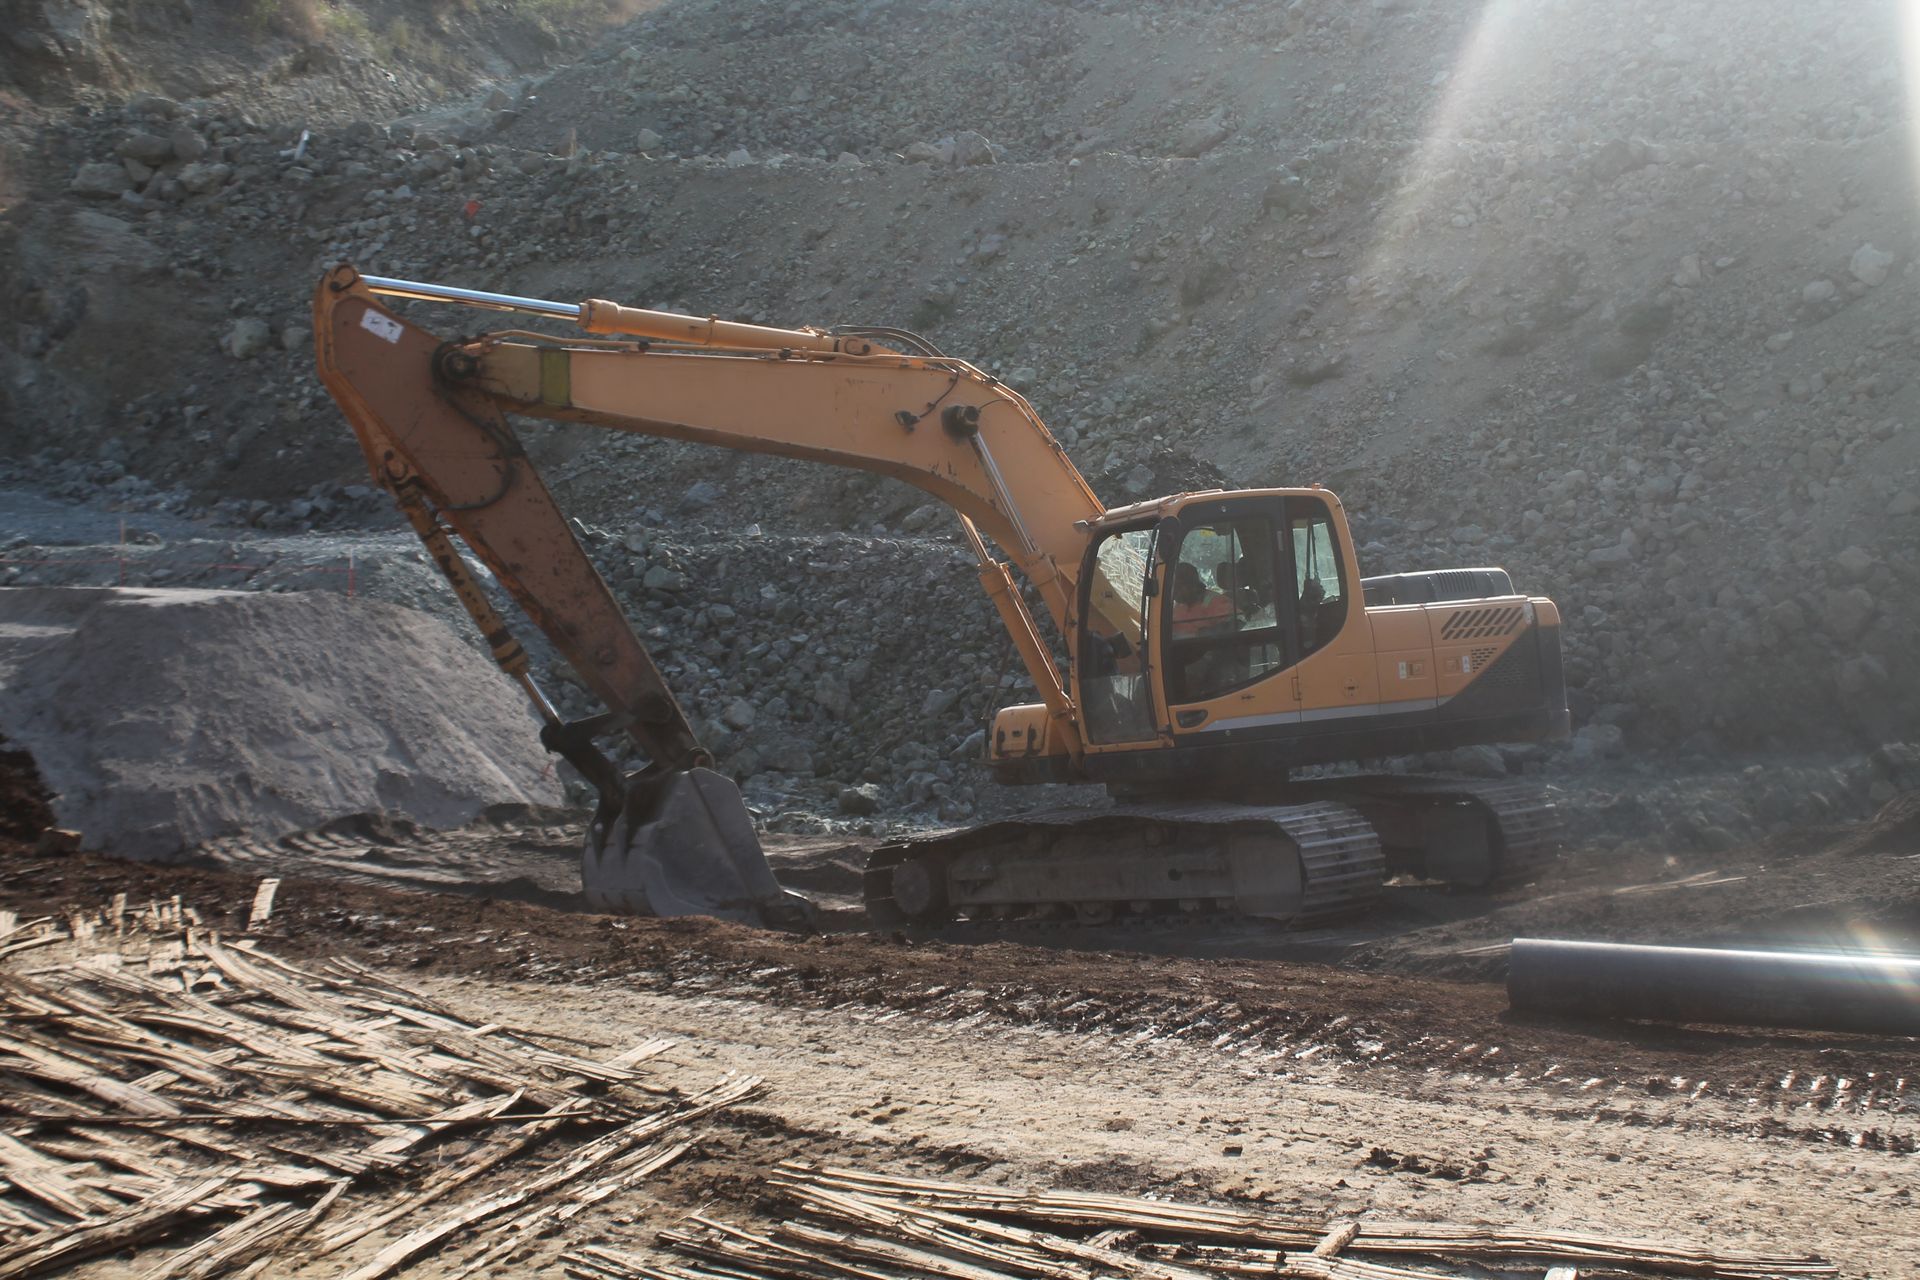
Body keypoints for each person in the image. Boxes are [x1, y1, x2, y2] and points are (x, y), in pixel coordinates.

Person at [1171, 562, 1230, 637]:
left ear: (1191, 584)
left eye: (1177, 587)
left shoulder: (1215, 601)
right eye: (1173, 588)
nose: (1174, 592)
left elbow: (1239, 623)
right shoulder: (1179, 605)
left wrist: (1206, 633)